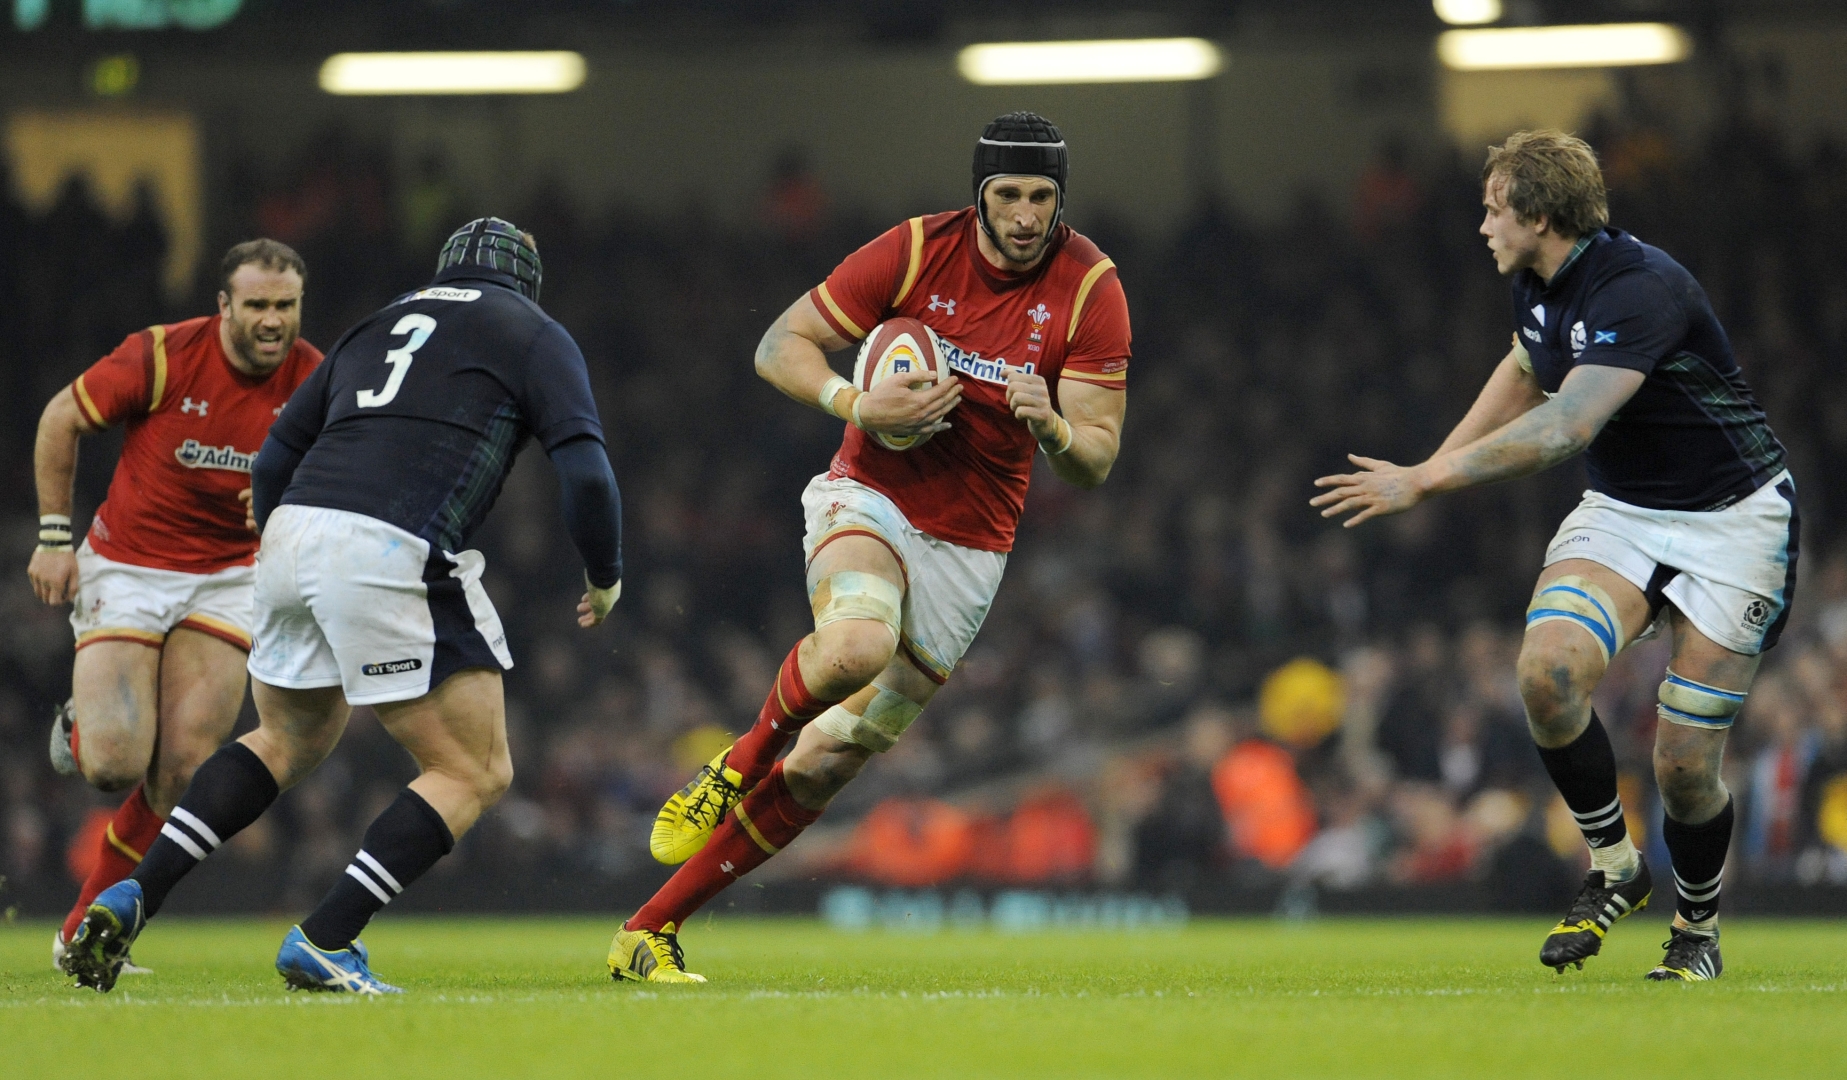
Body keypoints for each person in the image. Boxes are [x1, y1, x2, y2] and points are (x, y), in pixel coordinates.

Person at [608, 111, 1132, 982]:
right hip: (871, 493)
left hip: (970, 547)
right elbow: (780, 345)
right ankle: (732, 767)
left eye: (1042, 196)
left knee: (831, 757)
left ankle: (647, 930)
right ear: (979, 195)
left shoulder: (1089, 287)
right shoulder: (917, 250)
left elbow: (1098, 459)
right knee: (857, 642)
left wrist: (1054, 433)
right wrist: (856, 405)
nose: (1025, 214)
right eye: (1008, 194)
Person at [62, 218, 625, 994]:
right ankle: (327, 937)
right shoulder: (531, 330)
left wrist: (281, 541)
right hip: (390, 541)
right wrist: (605, 572)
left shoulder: (381, 321)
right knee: (473, 769)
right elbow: (587, 474)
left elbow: (279, 453)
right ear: (525, 282)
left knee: (287, 739)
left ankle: (134, 893)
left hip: (291, 536)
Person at [1313, 130, 1796, 982]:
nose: (1482, 226)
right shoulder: (1536, 283)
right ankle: (1613, 866)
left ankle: (1696, 929)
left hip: (1734, 522)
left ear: (1538, 214)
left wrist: (1429, 483)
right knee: (1545, 673)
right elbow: (1526, 369)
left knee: (1682, 767)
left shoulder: (1641, 287)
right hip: (1626, 511)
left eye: (1494, 209)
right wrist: (1427, 468)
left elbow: (1569, 423)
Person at [31, 239, 321, 975]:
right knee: (112, 765)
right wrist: (54, 538)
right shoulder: (161, 355)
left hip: (229, 576)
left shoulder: (316, 379)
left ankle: (84, 932)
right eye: (256, 305)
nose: (271, 320)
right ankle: (80, 724)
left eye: (284, 306)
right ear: (222, 306)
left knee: (185, 767)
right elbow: (59, 419)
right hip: (128, 565)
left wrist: (294, 508)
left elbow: (342, 471)